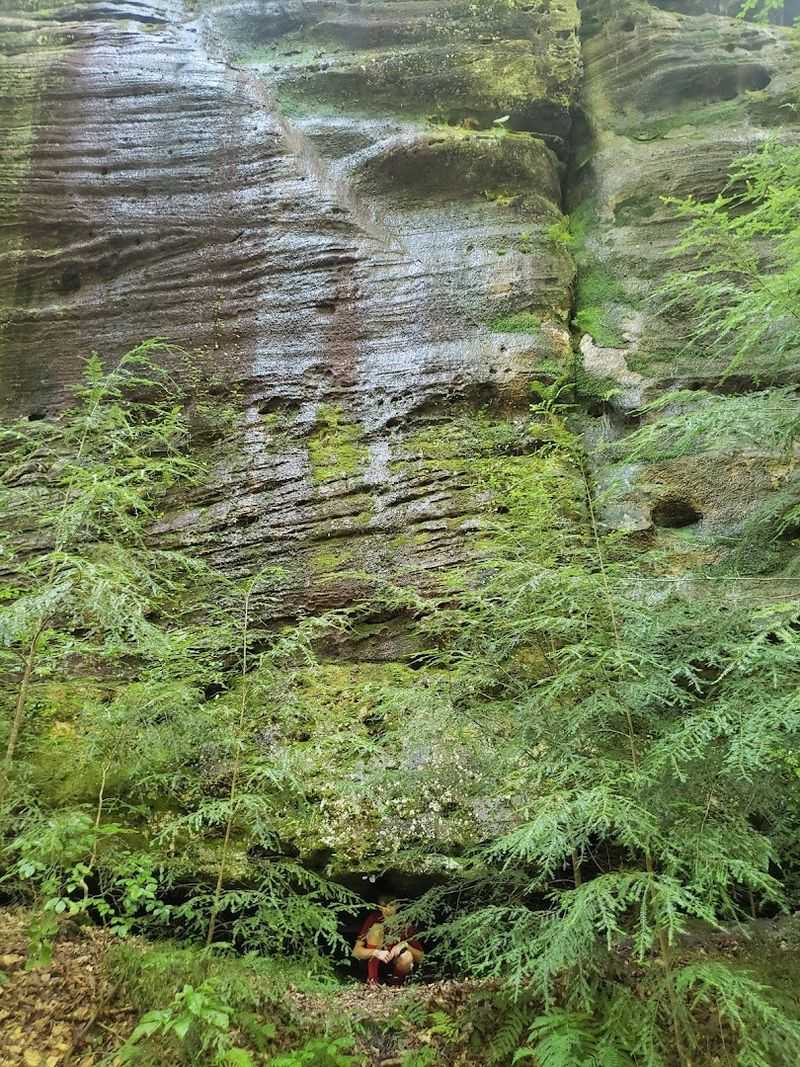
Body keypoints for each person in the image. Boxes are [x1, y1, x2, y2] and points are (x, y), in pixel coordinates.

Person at [352, 895, 424, 985]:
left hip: (394, 965)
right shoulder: (374, 919)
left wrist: (405, 945)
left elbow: (421, 958)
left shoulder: (405, 923)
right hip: (374, 963)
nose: (387, 909)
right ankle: (372, 980)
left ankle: (396, 983)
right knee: (377, 928)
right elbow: (356, 952)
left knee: (407, 956)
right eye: (383, 906)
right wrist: (376, 952)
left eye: (391, 905)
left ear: (398, 905)